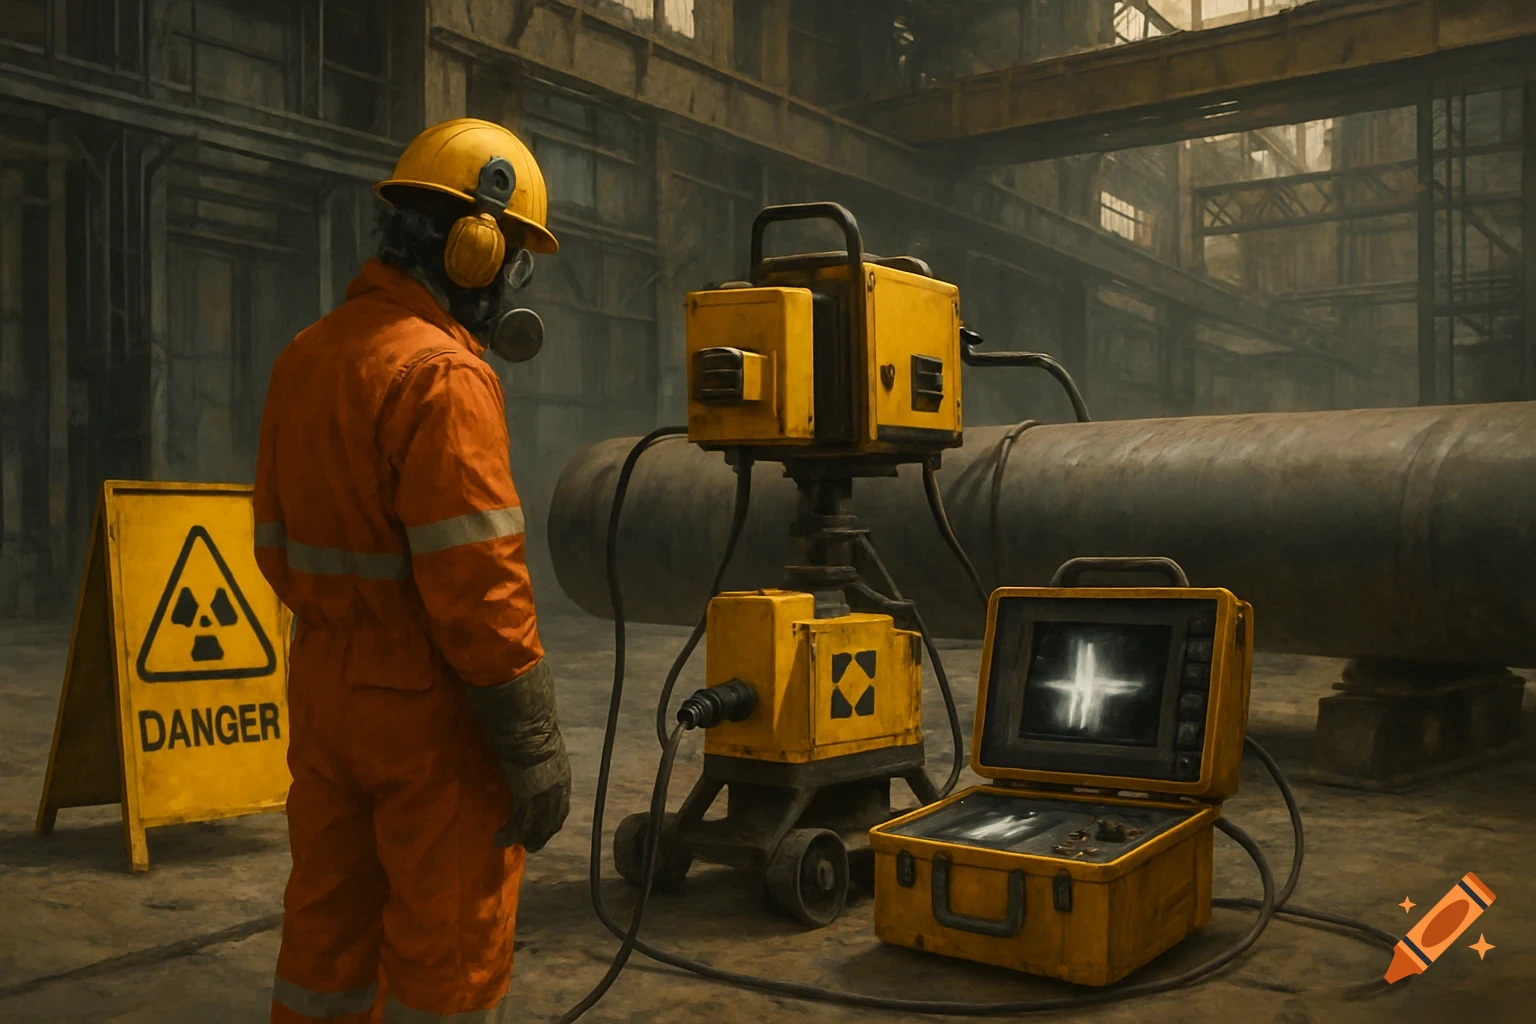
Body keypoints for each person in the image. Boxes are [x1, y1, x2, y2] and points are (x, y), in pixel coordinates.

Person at [254, 118, 570, 1024]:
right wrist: (531, 739)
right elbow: (480, 589)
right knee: (449, 957)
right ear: (475, 247)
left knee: (325, 939)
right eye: (514, 260)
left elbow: (274, 540)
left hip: (324, 686)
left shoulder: (304, 358)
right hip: (428, 709)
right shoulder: (441, 375)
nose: (513, 283)